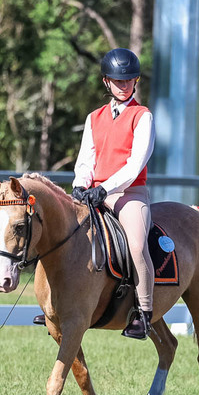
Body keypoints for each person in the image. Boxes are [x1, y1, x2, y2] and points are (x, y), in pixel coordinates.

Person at [72, 48, 156, 339]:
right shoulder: (93, 118)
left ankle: (144, 313)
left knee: (135, 244)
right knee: (65, 234)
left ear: (136, 81)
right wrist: (81, 184)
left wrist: (105, 188)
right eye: (118, 81)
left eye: (129, 80)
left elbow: (135, 164)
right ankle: (61, 304)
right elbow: (87, 158)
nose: (124, 86)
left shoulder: (142, 116)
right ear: (106, 82)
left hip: (130, 193)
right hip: (95, 191)